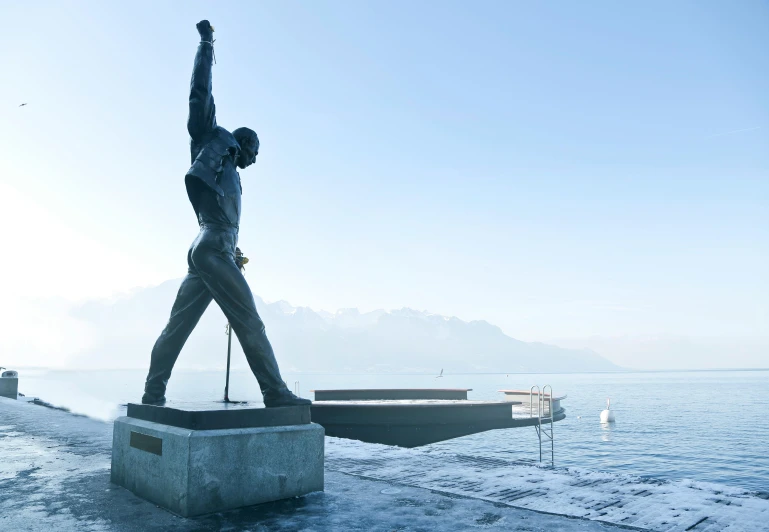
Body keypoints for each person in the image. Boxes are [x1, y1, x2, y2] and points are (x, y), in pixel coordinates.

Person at [141, 20, 310, 408]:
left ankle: (152, 395)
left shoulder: (229, 172)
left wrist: (233, 249)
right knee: (249, 319)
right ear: (245, 141)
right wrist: (206, 44)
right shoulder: (212, 139)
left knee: (177, 328)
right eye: (256, 150)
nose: (256, 157)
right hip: (210, 248)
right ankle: (276, 393)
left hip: (211, 249)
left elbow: (220, 215)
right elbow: (200, 94)